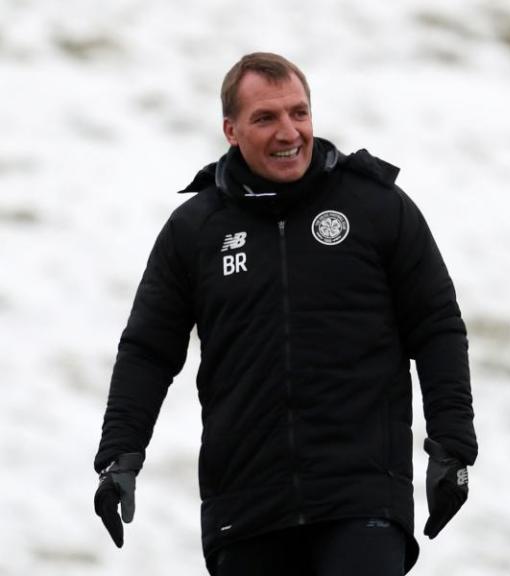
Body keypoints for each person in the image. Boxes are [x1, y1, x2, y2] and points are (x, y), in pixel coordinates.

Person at [93, 52, 477, 575]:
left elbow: (436, 326)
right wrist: (120, 455)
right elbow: (147, 351)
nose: (288, 131)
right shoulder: (196, 230)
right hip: (247, 510)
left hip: (361, 496)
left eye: (299, 113)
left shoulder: (376, 206)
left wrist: (452, 446)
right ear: (230, 130)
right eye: (266, 118)